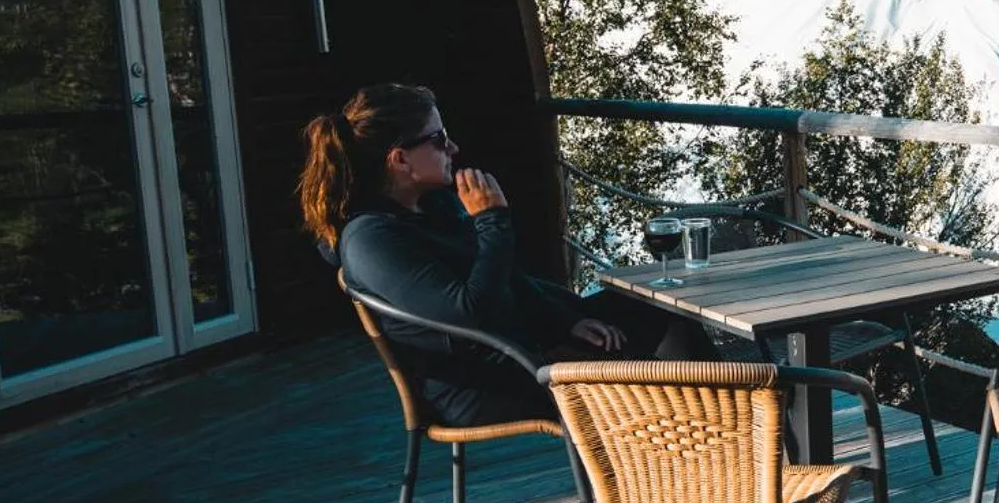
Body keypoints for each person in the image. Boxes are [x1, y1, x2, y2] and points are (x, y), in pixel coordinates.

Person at [298, 82, 711, 427]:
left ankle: (729, 465)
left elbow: (509, 281)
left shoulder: (431, 206)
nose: (453, 148)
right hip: (486, 382)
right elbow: (472, 311)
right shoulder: (373, 239)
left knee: (661, 312)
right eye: (438, 139)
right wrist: (492, 221)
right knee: (667, 355)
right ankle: (717, 468)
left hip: (524, 346)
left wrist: (568, 320)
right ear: (400, 158)